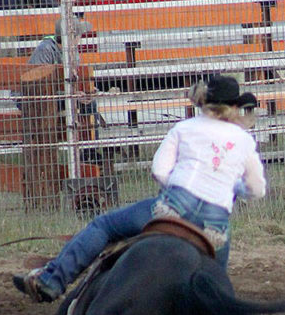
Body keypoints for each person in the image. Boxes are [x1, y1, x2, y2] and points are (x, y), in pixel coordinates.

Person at [13, 74, 265, 302]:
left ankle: (52, 280)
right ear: (235, 107)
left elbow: (159, 170)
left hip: (175, 206)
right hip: (215, 222)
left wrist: (180, 184)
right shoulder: (244, 140)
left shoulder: (185, 128)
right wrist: (232, 187)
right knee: (218, 286)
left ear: (203, 102)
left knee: (104, 226)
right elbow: (257, 189)